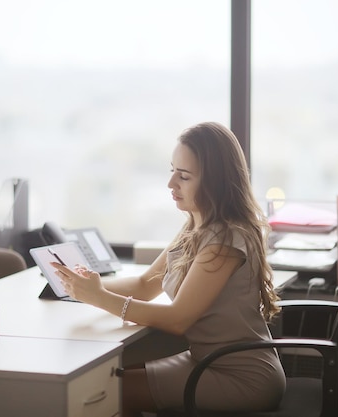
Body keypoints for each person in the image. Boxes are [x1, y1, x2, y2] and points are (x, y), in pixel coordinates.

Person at [52, 121, 286, 416]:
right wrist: (79, 286)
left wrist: (99, 297)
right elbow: (144, 285)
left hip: (241, 375)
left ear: (215, 182)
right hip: (207, 360)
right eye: (172, 170)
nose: (171, 183)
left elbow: (178, 320)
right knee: (108, 375)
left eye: (184, 176)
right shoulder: (197, 226)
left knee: (104, 391)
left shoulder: (225, 239)